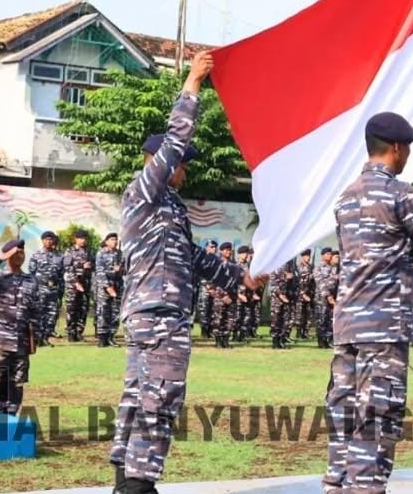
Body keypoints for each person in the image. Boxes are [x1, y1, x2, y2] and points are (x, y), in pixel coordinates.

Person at [108, 51, 264, 494]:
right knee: (159, 398)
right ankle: (138, 485)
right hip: (158, 314)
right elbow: (176, 139)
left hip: (154, 314)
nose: (185, 167)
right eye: (181, 162)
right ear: (160, 162)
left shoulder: (169, 207)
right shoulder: (144, 191)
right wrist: (193, 84)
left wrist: (242, 278)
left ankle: (126, 479)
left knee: (140, 397)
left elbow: (193, 258)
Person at [324, 111, 413, 493]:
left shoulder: (346, 197)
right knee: (377, 419)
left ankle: (337, 486)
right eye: (407, 149)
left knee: (344, 415)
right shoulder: (401, 195)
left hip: (347, 326)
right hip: (382, 328)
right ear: (396, 148)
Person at [0, 240, 39, 415]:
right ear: (7, 255)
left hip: (21, 341)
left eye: (22, 252)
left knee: (17, 382)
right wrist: (1, 258)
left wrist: (34, 338)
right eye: (16, 252)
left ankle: (11, 418)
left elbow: (35, 311)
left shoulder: (31, 280)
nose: (20, 256)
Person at [28, 231, 64, 346]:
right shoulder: (36, 255)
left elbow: (61, 274)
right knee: (39, 314)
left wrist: (61, 292)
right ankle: (38, 338)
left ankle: (46, 337)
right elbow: (32, 273)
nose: (49, 241)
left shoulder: (59, 256)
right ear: (42, 241)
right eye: (46, 239)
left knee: (52, 315)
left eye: (51, 239)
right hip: (40, 288)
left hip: (53, 289)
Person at [63, 230, 94, 343]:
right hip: (73, 285)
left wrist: (90, 266)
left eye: (85, 238)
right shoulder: (69, 251)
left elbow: (94, 265)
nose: (83, 240)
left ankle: (79, 332)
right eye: (81, 238)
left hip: (86, 283)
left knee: (83, 309)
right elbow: (67, 268)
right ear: (75, 239)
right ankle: (71, 333)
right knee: (72, 309)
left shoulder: (89, 251)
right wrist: (76, 282)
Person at [94, 233, 122, 347]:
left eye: (116, 239)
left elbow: (126, 270)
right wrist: (108, 287)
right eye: (112, 239)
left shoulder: (120, 254)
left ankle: (111, 337)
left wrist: (121, 269)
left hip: (118, 286)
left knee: (115, 312)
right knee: (103, 311)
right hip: (104, 287)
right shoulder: (101, 253)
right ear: (106, 241)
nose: (114, 241)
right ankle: (102, 337)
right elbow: (99, 272)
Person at [211, 243, 237, 348]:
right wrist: (223, 295)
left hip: (232, 296)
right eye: (225, 250)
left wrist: (233, 294)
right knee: (219, 318)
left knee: (229, 319)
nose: (228, 252)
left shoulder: (234, 264)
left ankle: (226, 340)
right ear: (221, 251)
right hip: (220, 295)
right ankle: (218, 341)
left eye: (229, 250)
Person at [269, 261, 294, 349]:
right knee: (276, 319)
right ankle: (275, 342)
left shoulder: (289, 266)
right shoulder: (274, 266)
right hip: (277, 298)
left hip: (287, 296)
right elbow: (272, 284)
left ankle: (281, 341)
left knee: (285, 320)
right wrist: (280, 294)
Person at [295, 249, 316, 339]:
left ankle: (305, 332)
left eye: (309, 256)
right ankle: (299, 332)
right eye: (306, 256)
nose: (308, 258)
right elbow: (297, 283)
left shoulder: (311, 267)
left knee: (308, 315)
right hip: (300, 294)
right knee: (299, 315)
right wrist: (302, 294)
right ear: (302, 257)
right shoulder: (298, 267)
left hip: (309, 294)